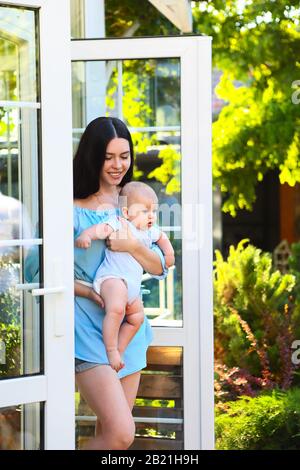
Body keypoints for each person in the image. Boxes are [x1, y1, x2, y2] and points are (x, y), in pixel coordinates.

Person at [73, 117, 169, 450]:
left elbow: (160, 267)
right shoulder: (70, 210)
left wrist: (134, 246)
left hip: (130, 332)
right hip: (86, 332)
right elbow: (39, 276)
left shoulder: (136, 203)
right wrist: (89, 291)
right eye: (108, 156)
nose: (118, 165)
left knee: (112, 438)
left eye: (124, 156)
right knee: (120, 433)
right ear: (93, 156)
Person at [75, 181, 175, 373]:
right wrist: (87, 236)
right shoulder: (120, 223)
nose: (151, 216)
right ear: (127, 213)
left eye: (153, 211)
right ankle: (111, 349)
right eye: (145, 211)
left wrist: (168, 254)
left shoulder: (149, 231)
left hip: (131, 287)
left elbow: (162, 238)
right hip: (113, 279)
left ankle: (120, 349)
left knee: (136, 318)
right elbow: (101, 229)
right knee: (117, 310)